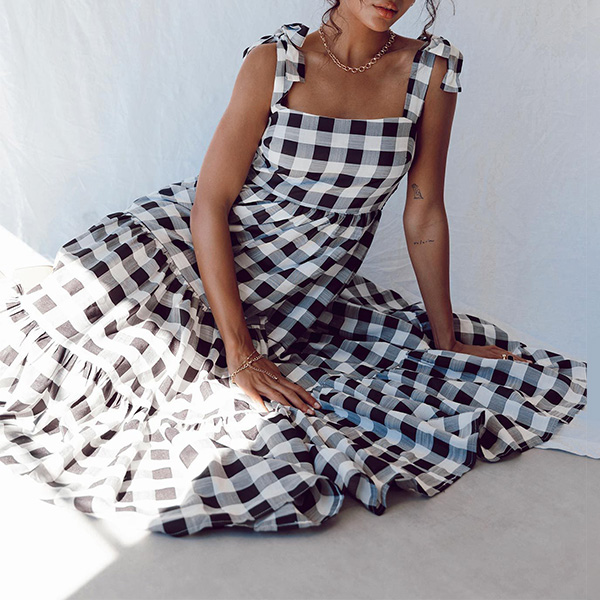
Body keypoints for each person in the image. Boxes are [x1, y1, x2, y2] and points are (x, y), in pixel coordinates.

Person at [0, 1, 588, 537]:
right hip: (184, 253)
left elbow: (424, 209)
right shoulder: (275, 62)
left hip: (295, 296)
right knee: (76, 366)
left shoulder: (431, 71)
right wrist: (240, 353)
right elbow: (210, 203)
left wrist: (445, 337)